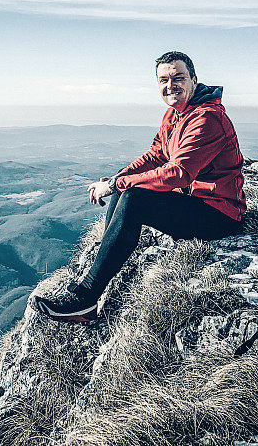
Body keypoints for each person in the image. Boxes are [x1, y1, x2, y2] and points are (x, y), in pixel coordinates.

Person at [30, 51, 246, 322]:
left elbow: (178, 173)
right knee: (128, 187)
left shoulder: (207, 118)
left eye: (179, 78)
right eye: (164, 80)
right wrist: (115, 180)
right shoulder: (175, 114)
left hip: (219, 215)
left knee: (135, 197)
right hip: (194, 203)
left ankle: (85, 297)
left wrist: (118, 184)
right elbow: (155, 155)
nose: (171, 85)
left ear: (194, 79)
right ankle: (105, 258)